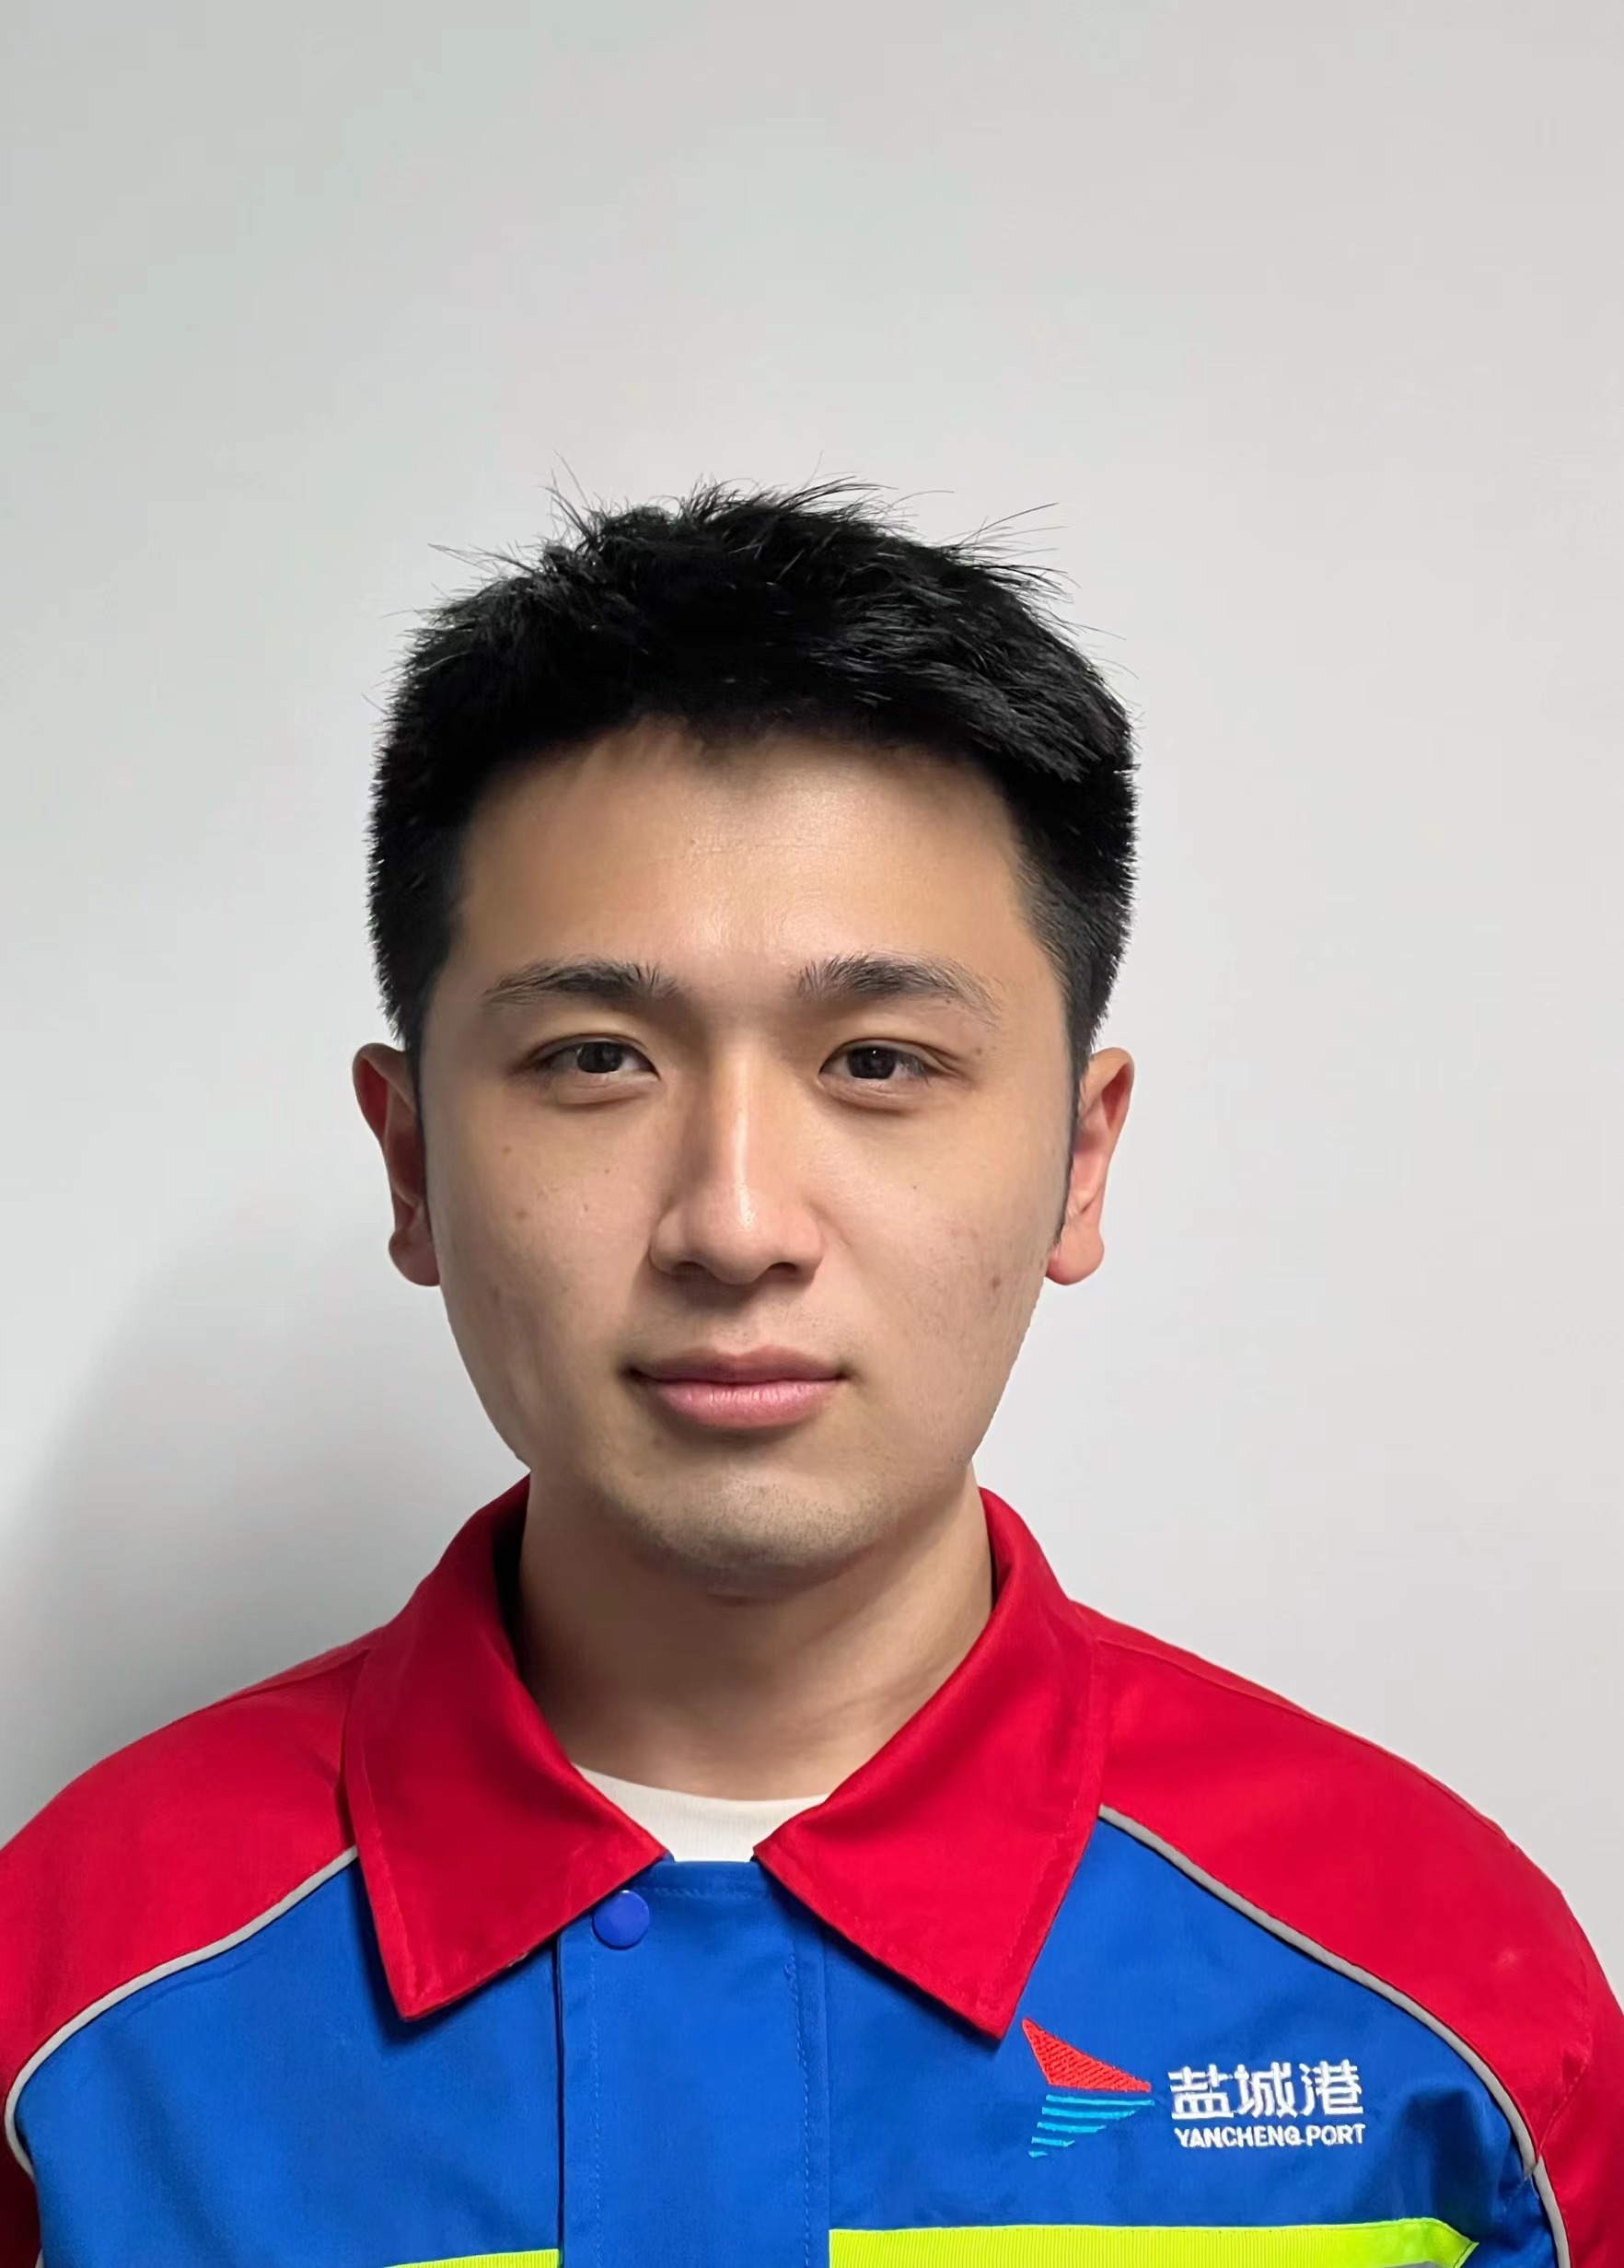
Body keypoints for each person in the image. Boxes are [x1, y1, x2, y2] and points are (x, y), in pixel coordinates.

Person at [1, 479, 1617, 2266]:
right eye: (597, 1057)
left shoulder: (1436, 1998)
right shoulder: (67, 2005)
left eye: (879, 1061)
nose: (738, 1221)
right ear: (411, 1165)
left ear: (1080, 1160)